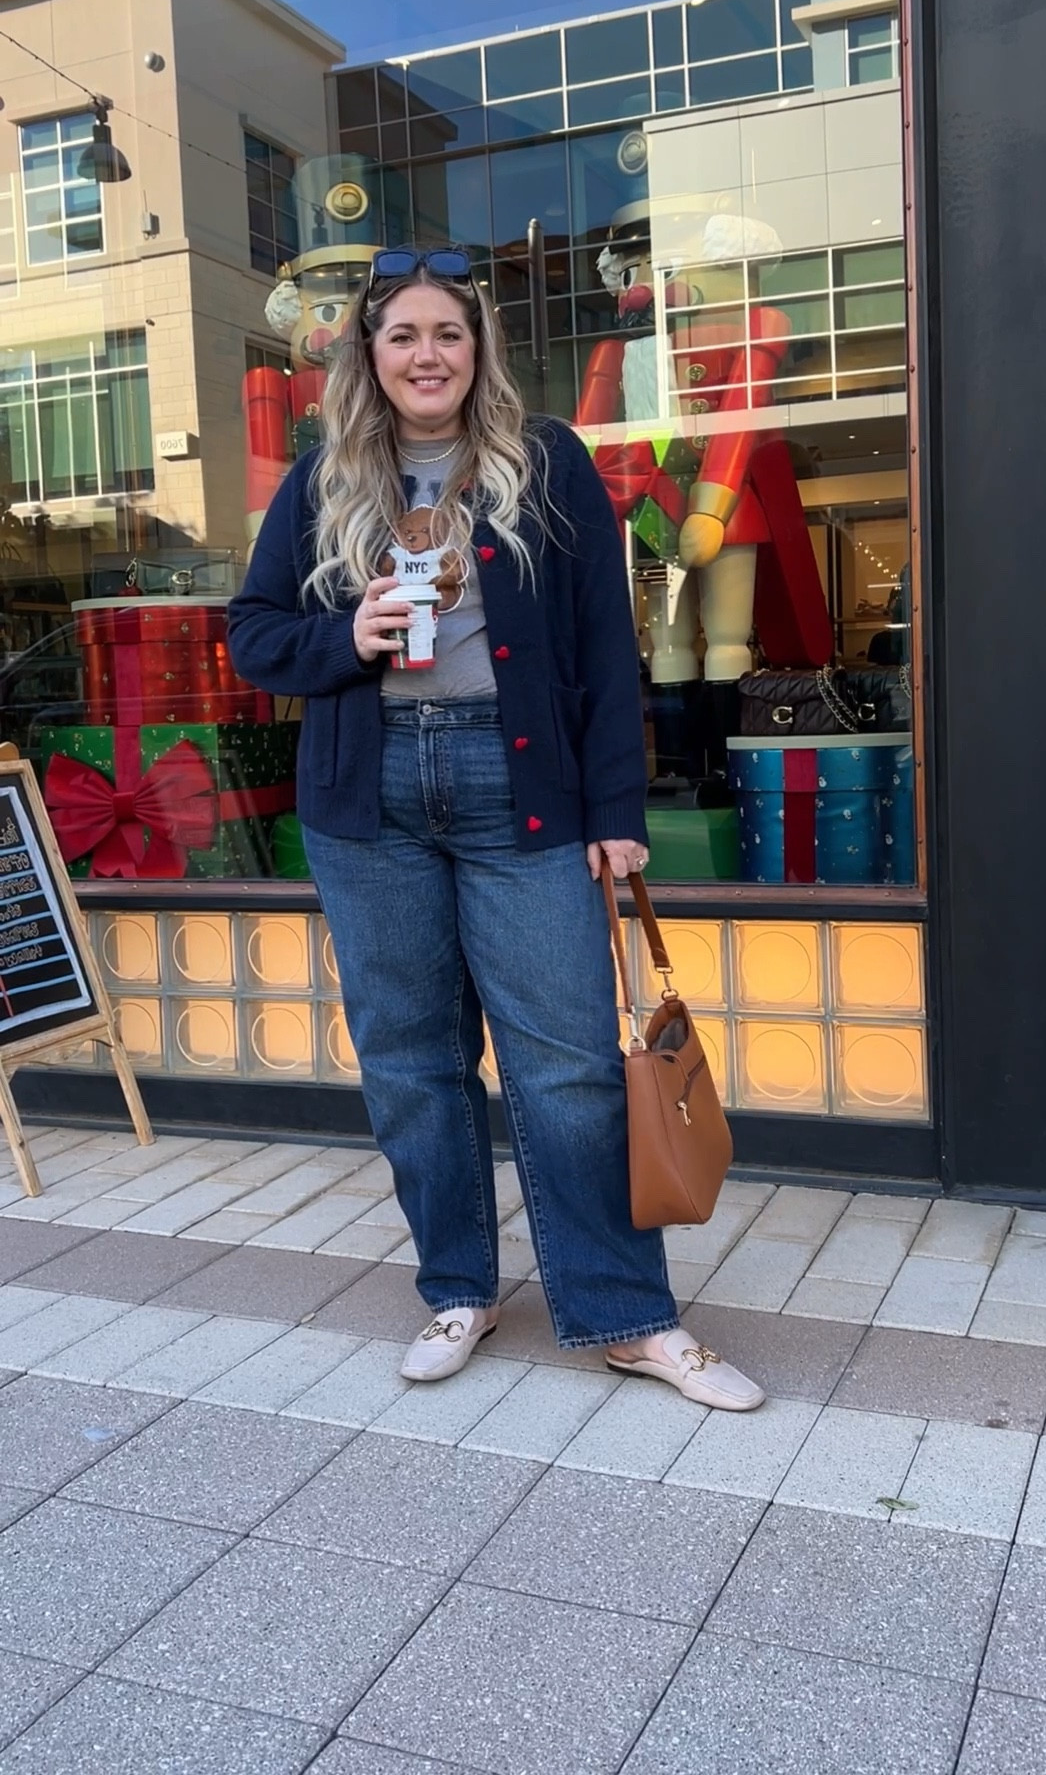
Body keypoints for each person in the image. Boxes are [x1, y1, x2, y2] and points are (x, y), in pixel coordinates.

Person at [228, 246, 764, 1412]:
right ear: (369, 355)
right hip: (369, 798)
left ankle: (627, 1314)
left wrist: (616, 810)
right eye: (405, 335)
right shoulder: (322, 480)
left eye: (450, 334)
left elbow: (605, 648)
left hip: (517, 781)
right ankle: (458, 1289)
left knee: (567, 1063)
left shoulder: (548, 462)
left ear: (479, 351)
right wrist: (345, 637)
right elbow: (255, 634)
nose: (429, 355)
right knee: (411, 1064)